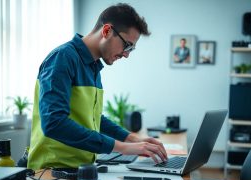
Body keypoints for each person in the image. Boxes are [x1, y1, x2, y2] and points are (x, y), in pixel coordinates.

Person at [27, 3, 168, 170]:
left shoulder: (94, 66)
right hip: (51, 171)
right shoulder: (62, 58)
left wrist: (130, 138)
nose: (126, 54)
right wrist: (122, 147)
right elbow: (54, 123)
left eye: (132, 49)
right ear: (107, 31)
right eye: (127, 45)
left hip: (81, 168)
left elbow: (93, 119)